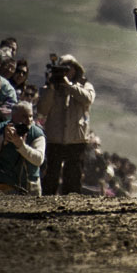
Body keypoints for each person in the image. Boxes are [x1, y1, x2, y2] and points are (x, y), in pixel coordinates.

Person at [36, 54, 95, 195]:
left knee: (73, 177)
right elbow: (42, 109)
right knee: (51, 175)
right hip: (54, 138)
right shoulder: (49, 88)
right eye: (63, 69)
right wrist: (51, 87)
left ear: (76, 69)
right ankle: (47, 201)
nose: (66, 72)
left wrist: (69, 86)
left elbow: (88, 99)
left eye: (69, 68)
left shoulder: (85, 85)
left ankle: (71, 203)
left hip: (76, 139)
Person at [0, 101, 45, 195]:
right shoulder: (0, 129)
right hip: (5, 185)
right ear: (14, 116)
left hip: (31, 186)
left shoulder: (37, 134)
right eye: (24, 116)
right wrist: (3, 139)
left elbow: (38, 160)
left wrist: (21, 146)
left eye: (31, 116)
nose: (28, 120)